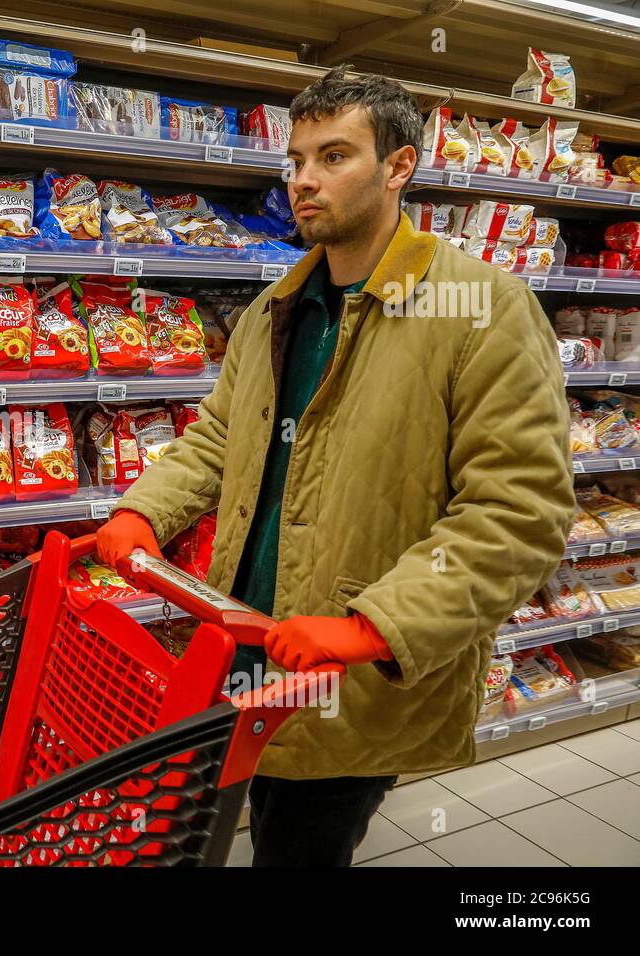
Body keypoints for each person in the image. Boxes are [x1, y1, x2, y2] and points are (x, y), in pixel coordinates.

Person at [97, 65, 574, 866]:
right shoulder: (275, 309)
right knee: (229, 823)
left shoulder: (479, 308)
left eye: (335, 156)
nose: (304, 181)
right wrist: (145, 508)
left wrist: (371, 626)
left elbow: (517, 512)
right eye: (296, 160)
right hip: (243, 640)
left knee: (300, 843)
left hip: (352, 671)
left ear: (400, 166)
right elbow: (220, 435)